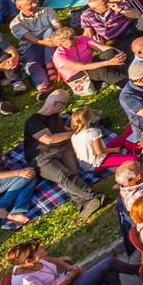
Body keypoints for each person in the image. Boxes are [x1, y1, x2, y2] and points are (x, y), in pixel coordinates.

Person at [23, 88, 108, 218]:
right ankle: (92, 197)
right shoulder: (33, 121)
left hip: (63, 148)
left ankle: (83, 205)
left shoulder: (55, 116)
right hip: (41, 158)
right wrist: (76, 133)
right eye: (64, 104)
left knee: (73, 174)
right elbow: (48, 139)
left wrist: (83, 129)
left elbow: (63, 129)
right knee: (63, 176)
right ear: (55, 103)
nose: (64, 107)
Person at [5, 240, 143, 285]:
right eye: (40, 249)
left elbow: (51, 260)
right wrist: (69, 278)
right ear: (29, 261)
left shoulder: (29, 262)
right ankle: (142, 270)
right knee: (109, 262)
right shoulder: (24, 282)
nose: (44, 247)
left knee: (109, 273)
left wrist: (68, 268)